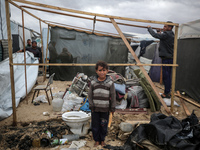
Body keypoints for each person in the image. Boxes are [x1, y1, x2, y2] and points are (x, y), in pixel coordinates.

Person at [88, 61, 116, 147]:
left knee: (104, 125)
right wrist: (91, 105)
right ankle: (97, 140)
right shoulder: (93, 82)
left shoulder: (110, 83)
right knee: (95, 125)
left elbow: (113, 95)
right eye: (100, 70)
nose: (102, 72)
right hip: (95, 108)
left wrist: (113, 107)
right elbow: (89, 95)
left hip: (105, 108)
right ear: (96, 71)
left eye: (104, 70)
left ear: (107, 71)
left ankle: (102, 140)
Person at [147, 21, 174, 98]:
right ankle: (168, 92)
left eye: (165, 26)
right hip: (170, 58)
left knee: (166, 76)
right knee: (168, 75)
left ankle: (166, 93)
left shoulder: (167, 34)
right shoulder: (170, 34)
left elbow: (155, 35)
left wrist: (149, 28)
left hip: (167, 58)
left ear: (170, 28)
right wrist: (160, 32)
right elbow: (162, 37)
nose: (163, 28)